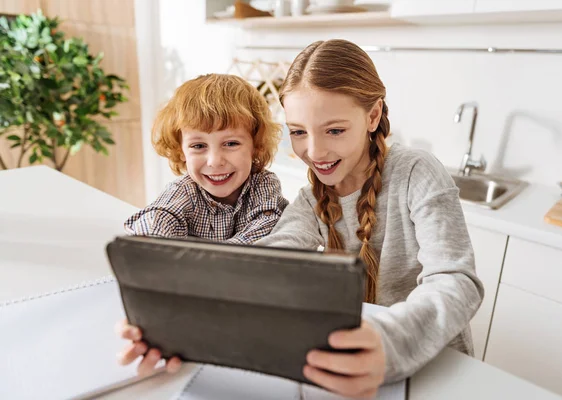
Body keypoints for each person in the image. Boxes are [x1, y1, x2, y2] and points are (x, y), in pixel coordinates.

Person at [117, 40, 484, 399]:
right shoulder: (311, 200)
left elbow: (456, 281)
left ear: (372, 115)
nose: (315, 151)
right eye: (298, 132)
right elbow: (265, 261)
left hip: (437, 369)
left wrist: (387, 343)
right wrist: (175, 322)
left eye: (335, 130)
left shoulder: (417, 172)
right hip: (351, 366)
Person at [123, 74, 288, 243]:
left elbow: (268, 225)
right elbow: (155, 221)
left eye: (231, 144)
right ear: (181, 151)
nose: (214, 161)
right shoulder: (184, 192)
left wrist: (214, 257)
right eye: (199, 146)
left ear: (256, 146)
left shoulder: (263, 184)